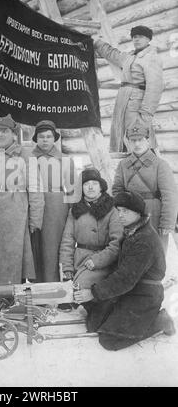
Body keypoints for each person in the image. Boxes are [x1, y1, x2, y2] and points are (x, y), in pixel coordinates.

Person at [74, 190, 175, 351]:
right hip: (132, 290)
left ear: (138, 213)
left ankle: (159, 321)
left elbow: (125, 278)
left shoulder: (144, 240)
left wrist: (94, 293)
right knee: (94, 323)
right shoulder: (132, 232)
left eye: (125, 211)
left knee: (109, 340)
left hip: (145, 295)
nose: (120, 215)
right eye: (119, 210)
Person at [0, 114, 44, 286]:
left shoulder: (26, 155)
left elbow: (35, 190)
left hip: (16, 212)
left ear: (14, 134)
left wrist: (35, 220)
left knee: (13, 257)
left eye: (4, 131)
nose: (0, 135)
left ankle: (13, 300)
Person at [93, 25, 163, 152]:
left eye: (140, 37)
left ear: (148, 39)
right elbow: (113, 54)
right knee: (121, 135)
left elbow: (155, 87)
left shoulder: (151, 58)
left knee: (136, 136)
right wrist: (98, 43)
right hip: (123, 101)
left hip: (137, 104)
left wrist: (146, 113)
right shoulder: (130, 56)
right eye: (134, 37)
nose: (136, 39)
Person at [112, 121, 178, 254]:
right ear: (128, 142)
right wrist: (122, 213)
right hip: (130, 215)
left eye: (140, 139)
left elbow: (170, 196)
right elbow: (117, 191)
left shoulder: (160, 165)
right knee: (132, 254)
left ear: (148, 140)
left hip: (153, 214)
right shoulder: (123, 165)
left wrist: (167, 223)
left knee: (154, 255)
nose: (137, 144)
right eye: (133, 140)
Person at [59, 168, 123, 289]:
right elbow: (67, 242)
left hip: (103, 263)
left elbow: (117, 243)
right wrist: (67, 268)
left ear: (101, 187)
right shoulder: (75, 210)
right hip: (79, 262)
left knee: (80, 287)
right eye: (86, 184)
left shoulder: (111, 210)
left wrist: (97, 261)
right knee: (66, 291)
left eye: (94, 183)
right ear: (81, 188)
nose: (90, 187)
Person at [31, 120, 76, 282]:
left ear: (54, 138)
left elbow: (72, 190)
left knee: (53, 247)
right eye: (41, 136)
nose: (45, 140)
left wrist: (74, 211)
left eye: (49, 136)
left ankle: (55, 286)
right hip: (32, 205)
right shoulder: (28, 159)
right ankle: (36, 288)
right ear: (36, 138)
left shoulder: (65, 160)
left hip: (56, 208)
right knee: (34, 247)